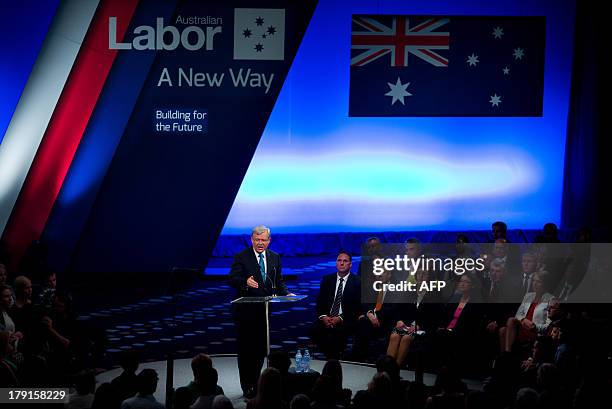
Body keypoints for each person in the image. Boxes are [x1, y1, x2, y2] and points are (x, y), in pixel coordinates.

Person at [229, 225, 292, 398]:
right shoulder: (241, 257)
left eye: (263, 240)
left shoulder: (274, 257)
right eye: (257, 240)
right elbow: (232, 279)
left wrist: (287, 293)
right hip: (245, 312)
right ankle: (247, 386)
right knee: (246, 351)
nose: (260, 243)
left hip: (264, 313)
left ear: (269, 240)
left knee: (259, 350)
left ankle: (257, 383)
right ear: (251, 240)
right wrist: (245, 282)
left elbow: (278, 281)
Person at [312, 251, 362, 359]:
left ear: (350, 264)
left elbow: (357, 308)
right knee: (314, 330)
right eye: (339, 260)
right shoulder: (327, 279)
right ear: (336, 263)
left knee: (338, 333)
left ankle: (333, 359)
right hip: (327, 317)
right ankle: (331, 358)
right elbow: (320, 302)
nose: (342, 263)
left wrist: (339, 318)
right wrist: (324, 317)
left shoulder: (358, 282)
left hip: (347, 319)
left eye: (345, 261)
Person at [500, 271, 554, 353]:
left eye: (538, 282)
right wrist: (523, 320)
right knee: (503, 329)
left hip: (534, 331)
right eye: (534, 281)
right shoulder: (528, 295)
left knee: (506, 327)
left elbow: (548, 326)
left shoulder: (551, 299)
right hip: (522, 326)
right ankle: (506, 356)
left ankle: (507, 356)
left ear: (545, 284)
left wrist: (534, 326)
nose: (534, 284)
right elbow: (518, 314)